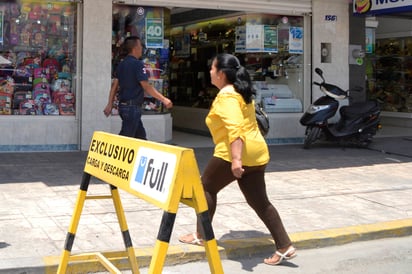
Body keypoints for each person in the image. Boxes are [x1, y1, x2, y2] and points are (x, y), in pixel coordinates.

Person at [178, 53, 296, 266]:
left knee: (205, 187)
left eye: (212, 70)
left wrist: (236, 160)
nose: (210, 73)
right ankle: (285, 246)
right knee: (260, 202)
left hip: (233, 153)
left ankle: (201, 235)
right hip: (257, 154)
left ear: (221, 74)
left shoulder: (227, 95)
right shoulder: (241, 92)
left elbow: (235, 129)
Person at [104, 36, 173, 139]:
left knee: (140, 137)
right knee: (126, 140)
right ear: (135, 48)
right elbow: (146, 85)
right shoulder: (138, 65)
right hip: (132, 108)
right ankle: (109, 153)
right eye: (140, 45)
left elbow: (114, 86)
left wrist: (110, 104)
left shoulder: (121, 64)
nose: (142, 48)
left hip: (123, 107)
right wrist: (163, 99)